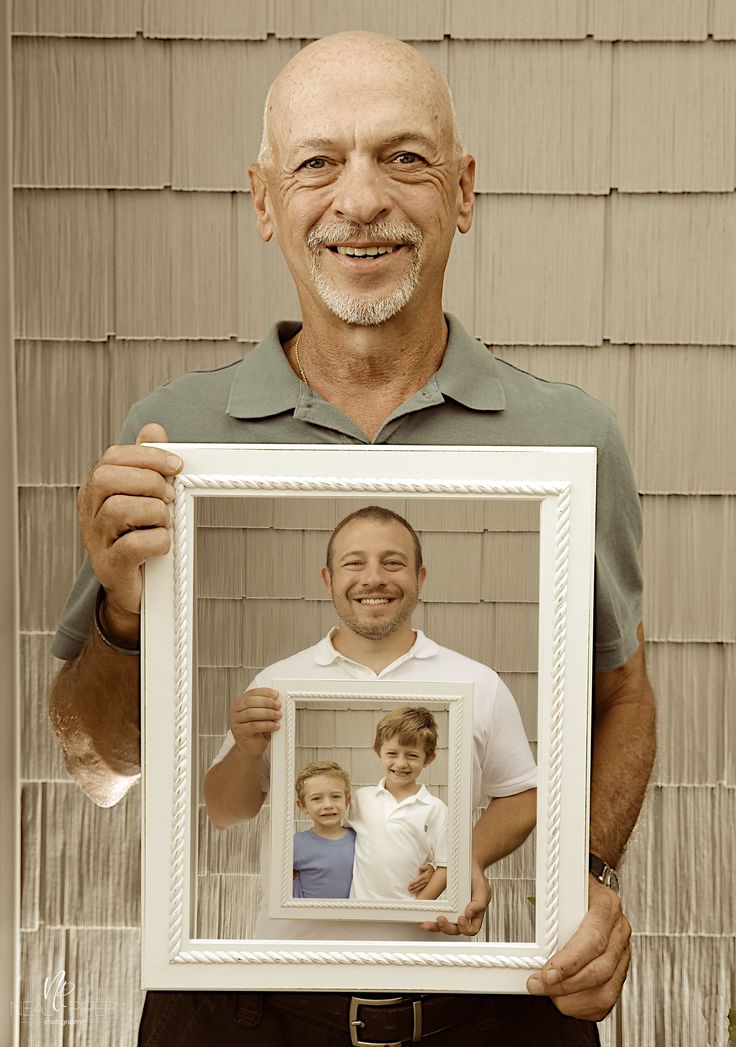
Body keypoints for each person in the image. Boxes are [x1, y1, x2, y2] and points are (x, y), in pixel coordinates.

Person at [48, 29, 656, 1046]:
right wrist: (119, 612)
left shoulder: (570, 440)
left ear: (461, 192)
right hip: (236, 1006)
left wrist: (581, 879)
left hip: (494, 1009)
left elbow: (620, 695)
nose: (361, 199)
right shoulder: (171, 441)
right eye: (318, 162)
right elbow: (104, 772)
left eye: (403, 158)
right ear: (262, 200)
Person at [203, 505, 537, 943]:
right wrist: (247, 752)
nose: (373, 578)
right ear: (328, 580)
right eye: (354, 563)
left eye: (392, 562)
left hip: (430, 964)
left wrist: (463, 859)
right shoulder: (277, 684)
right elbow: (225, 812)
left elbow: (521, 795)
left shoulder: (479, 684)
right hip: (296, 964)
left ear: (420, 578)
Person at [349, 706, 449, 903]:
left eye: (412, 755)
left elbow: (446, 867)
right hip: (360, 912)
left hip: (410, 913)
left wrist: (418, 909)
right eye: (392, 753)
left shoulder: (435, 809)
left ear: (428, 759)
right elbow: (330, 834)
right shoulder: (360, 799)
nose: (401, 763)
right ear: (378, 751)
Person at [292, 760, 356, 900]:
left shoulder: (360, 839)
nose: (328, 805)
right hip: (311, 920)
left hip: (354, 920)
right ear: (302, 806)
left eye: (335, 797)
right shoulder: (294, 845)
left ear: (347, 801)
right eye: (317, 798)